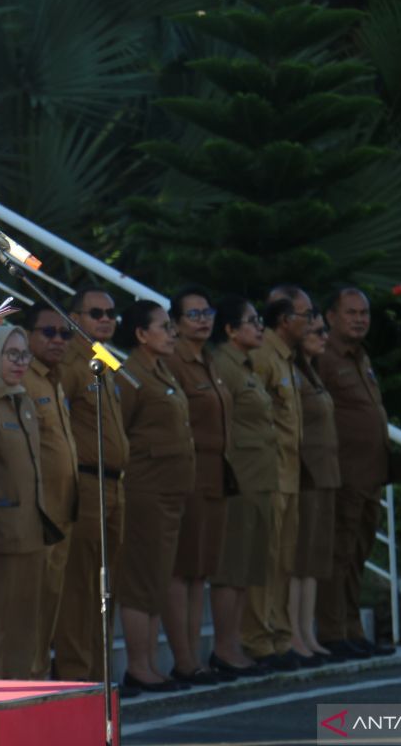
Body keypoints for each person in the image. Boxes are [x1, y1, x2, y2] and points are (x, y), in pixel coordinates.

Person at [0, 325, 57, 679]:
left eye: (24, 355)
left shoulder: (22, 397)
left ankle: (21, 697)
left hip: (30, 532)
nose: (21, 363)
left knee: (24, 626)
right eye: (12, 354)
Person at [113, 300, 195, 694]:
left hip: (170, 489)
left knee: (157, 577)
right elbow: (120, 429)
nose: (172, 332)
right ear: (142, 334)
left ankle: (148, 664)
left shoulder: (161, 369)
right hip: (146, 490)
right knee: (141, 581)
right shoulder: (129, 375)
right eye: (163, 327)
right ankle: (139, 666)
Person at [54, 285, 129, 683]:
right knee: (83, 586)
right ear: (76, 319)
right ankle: (77, 675)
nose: (106, 319)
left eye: (111, 313)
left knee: (107, 587)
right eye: (96, 312)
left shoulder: (105, 360)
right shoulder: (69, 362)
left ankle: (101, 677)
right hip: (87, 483)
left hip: (114, 485)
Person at [316, 287, 394, 659]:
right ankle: (334, 631)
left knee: (358, 553)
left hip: (370, 475)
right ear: (331, 316)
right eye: (352, 312)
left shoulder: (360, 357)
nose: (360, 319)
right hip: (343, 474)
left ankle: (351, 628)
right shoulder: (324, 358)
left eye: (364, 312)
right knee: (339, 553)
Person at [243, 286, 317, 671]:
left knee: (283, 560)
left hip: (289, 474)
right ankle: (260, 638)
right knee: (266, 560)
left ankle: (280, 635)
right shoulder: (262, 355)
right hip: (268, 474)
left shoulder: (288, 357)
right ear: (286, 319)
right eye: (306, 315)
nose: (312, 322)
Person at [162, 287, 232, 686]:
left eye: (208, 311)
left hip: (214, 475)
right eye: (193, 314)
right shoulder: (174, 361)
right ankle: (184, 658)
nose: (203, 319)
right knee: (182, 569)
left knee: (200, 570)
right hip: (186, 475)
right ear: (174, 324)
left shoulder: (209, 359)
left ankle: (195, 657)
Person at [207, 297, 274, 679]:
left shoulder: (247, 365)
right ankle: (224, 648)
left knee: (247, 568)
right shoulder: (224, 365)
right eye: (251, 321)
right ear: (231, 330)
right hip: (238, 479)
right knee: (230, 568)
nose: (259, 327)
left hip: (259, 479)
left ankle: (235, 644)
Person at [22, 303, 79, 679]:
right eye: (48, 332)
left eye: (65, 334)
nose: (58, 340)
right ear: (27, 336)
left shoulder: (55, 378)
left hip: (64, 510)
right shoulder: (22, 376)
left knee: (54, 601)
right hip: (36, 514)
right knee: (34, 604)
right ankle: (31, 676)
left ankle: (43, 672)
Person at [295, 313, 341, 663]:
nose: (324, 336)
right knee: (299, 561)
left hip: (324, 474)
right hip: (304, 474)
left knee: (313, 561)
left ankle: (306, 632)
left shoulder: (313, 370)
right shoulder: (293, 372)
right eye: (316, 331)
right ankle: (295, 633)